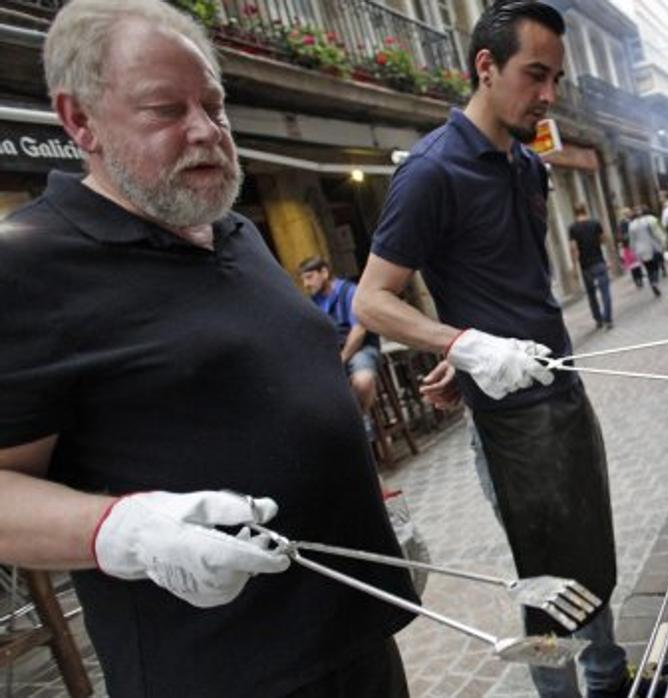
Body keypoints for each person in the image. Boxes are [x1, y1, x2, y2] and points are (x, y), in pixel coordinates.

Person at [0, 2, 418, 696]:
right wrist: (123, 530)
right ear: (80, 122)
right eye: (165, 110)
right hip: (226, 675)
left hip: (356, 642)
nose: (206, 132)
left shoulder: (236, 232)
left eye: (214, 105)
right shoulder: (26, 269)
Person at [351, 2, 629, 696]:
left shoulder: (529, 167)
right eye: (536, 75)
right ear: (485, 66)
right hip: (509, 423)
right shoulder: (431, 171)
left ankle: (610, 677)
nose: (548, 95)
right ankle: (561, 690)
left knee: (591, 554)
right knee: (546, 576)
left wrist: (461, 348)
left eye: (556, 79)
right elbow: (371, 301)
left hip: (561, 389)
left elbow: (508, 284)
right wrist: (468, 347)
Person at [299, 256, 384, 420]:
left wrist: (342, 358)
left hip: (360, 349)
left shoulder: (350, 291)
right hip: (333, 355)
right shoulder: (313, 302)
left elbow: (359, 331)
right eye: (303, 280)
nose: (306, 285)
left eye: (309, 277)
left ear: (324, 272)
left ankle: (361, 424)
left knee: (363, 381)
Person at [567, 202, 612, 330]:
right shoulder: (595, 223)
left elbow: (574, 249)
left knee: (591, 294)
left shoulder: (573, 228)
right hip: (599, 262)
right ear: (585, 211)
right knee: (605, 292)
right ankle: (608, 318)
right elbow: (604, 240)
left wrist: (574, 268)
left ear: (575, 213)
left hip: (585, 266)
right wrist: (607, 258)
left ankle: (598, 319)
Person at [627, 203, 665, 298]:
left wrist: (632, 250)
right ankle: (655, 282)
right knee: (655, 267)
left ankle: (652, 281)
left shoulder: (631, 225)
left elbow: (631, 240)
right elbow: (657, 232)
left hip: (640, 250)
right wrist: (662, 241)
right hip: (651, 247)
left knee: (648, 268)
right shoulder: (650, 220)